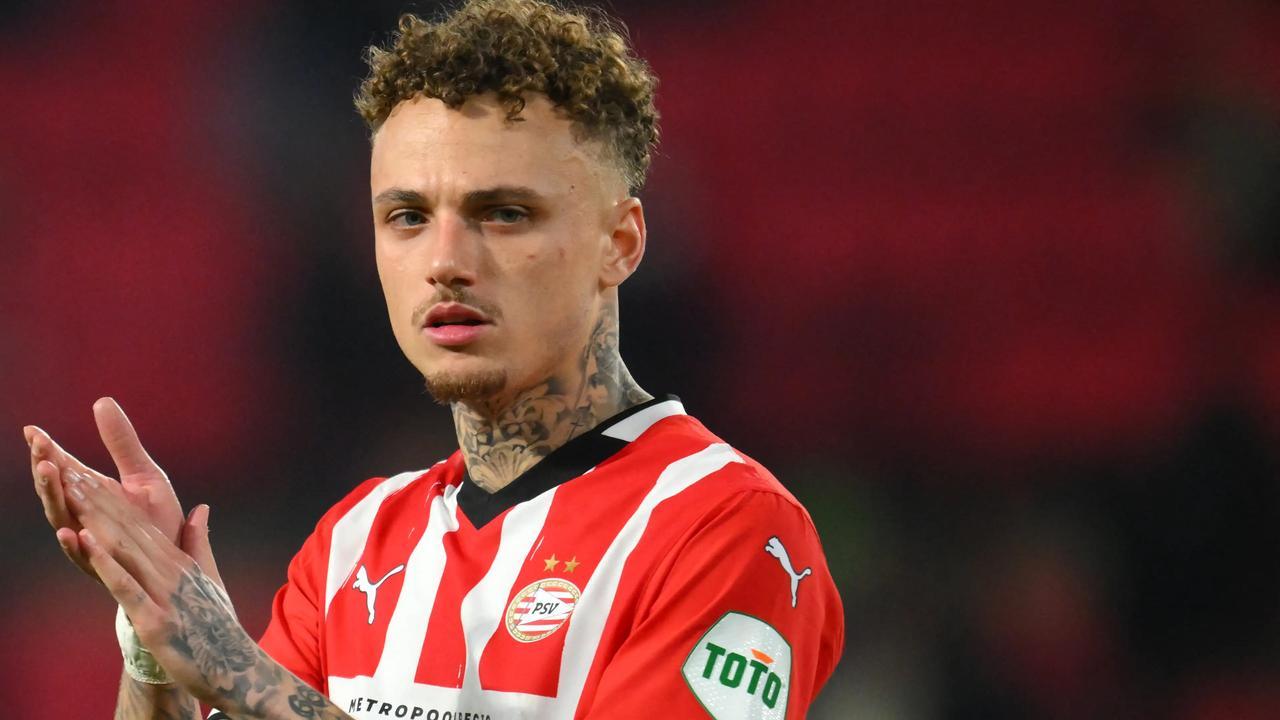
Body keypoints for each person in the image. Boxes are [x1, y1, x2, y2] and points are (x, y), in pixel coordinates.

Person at [25, 1, 845, 717]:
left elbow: (254, 692)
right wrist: (155, 636)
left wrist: (239, 672)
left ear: (619, 243)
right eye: (408, 216)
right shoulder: (357, 541)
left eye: (504, 213)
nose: (445, 259)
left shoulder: (728, 530)